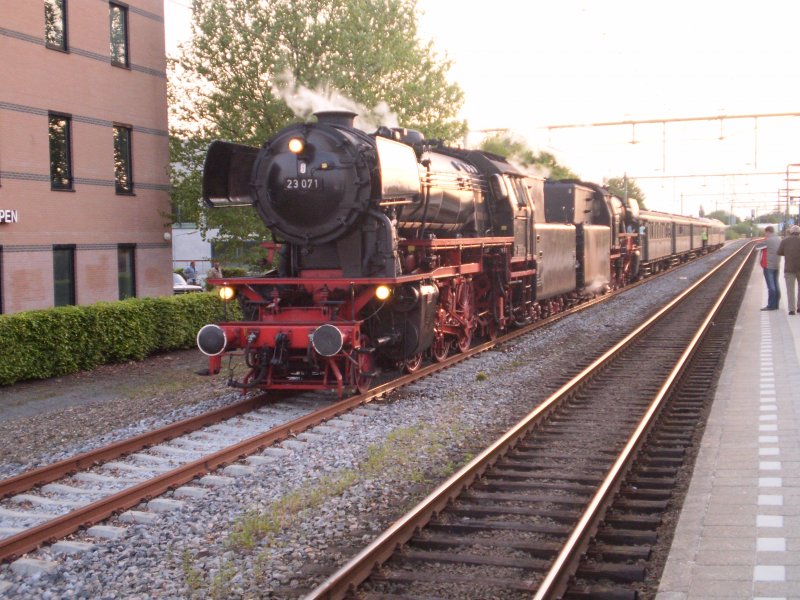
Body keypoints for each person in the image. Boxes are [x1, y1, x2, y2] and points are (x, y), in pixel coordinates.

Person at [756, 226, 781, 311]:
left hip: (768, 265)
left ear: (768, 232)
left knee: (771, 286)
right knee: (776, 285)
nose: (765, 234)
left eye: (765, 233)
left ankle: (771, 305)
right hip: (776, 265)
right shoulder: (778, 239)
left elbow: (757, 247)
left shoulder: (768, 240)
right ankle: (776, 304)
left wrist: (763, 239)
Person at [777, 225, 800, 315]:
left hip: (789, 268)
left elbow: (779, 252)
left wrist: (787, 252)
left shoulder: (785, 241)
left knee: (790, 289)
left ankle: (791, 309)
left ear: (790, 232)